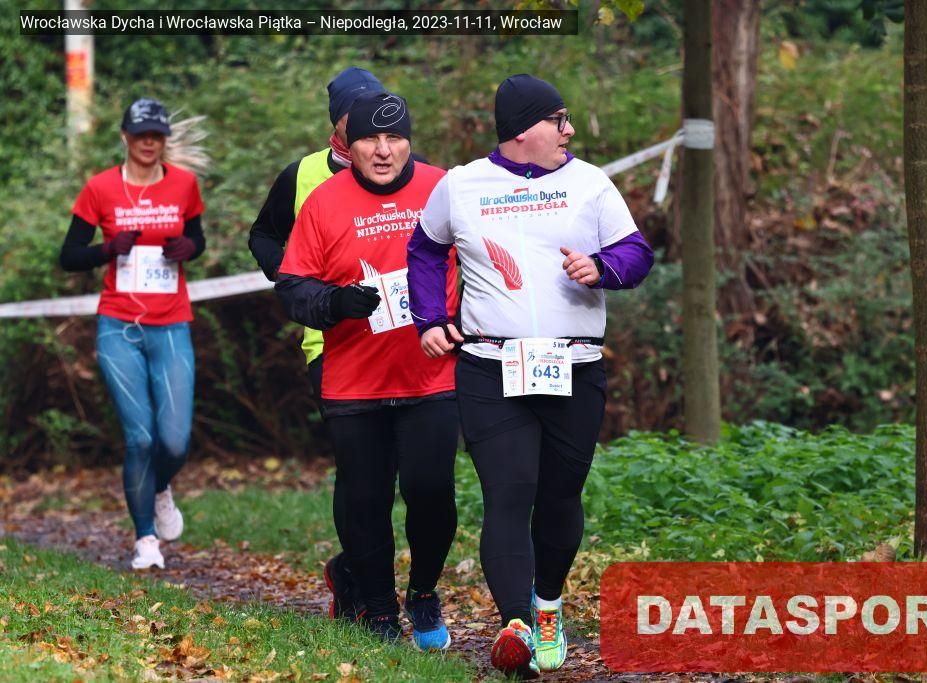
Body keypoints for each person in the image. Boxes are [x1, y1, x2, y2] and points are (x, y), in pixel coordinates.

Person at [407, 74, 654, 678]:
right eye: (558, 119)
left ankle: (547, 606)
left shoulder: (590, 182)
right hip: (491, 368)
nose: (569, 130)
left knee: (560, 497)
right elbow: (425, 250)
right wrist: (429, 318)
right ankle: (515, 625)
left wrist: (602, 267)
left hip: (574, 367)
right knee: (508, 493)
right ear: (523, 130)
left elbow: (637, 252)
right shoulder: (461, 185)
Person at [275, 92, 460, 650]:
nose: (383, 151)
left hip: (432, 374)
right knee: (366, 500)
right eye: (369, 140)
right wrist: (334, 304)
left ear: (409, 141)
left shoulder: (444, 188)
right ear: (346, 145)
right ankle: (379, 610)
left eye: (394, 138)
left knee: (431, 492)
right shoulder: (324, 201)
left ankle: (423, 592)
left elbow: (485, 260)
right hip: (354, 381)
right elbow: (293, 288)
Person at [248, 66, 385, 623]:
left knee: (393, 468)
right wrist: (293, 275)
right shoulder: (301, 175)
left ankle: (353, 566)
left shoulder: (402, 167)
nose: (372, 126)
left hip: (395, 338)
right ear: (338, 123)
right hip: (327, 344)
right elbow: (262, 234)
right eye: (359, 116)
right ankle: (361, 586)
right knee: (357, 467)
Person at [59, 98, 209, 571]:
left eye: (156, 135)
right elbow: (68, 255)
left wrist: (188, 248)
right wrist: (107, 249)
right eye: (141, 134)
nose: (149, 142)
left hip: (171, 324)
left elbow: (198, 240)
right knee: (140, 438)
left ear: (164, 140)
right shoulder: (100, 188)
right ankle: (146, 538)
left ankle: (159, 486)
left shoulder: (184, 184)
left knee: (175, 441)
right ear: (125, 136)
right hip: (118, 326)